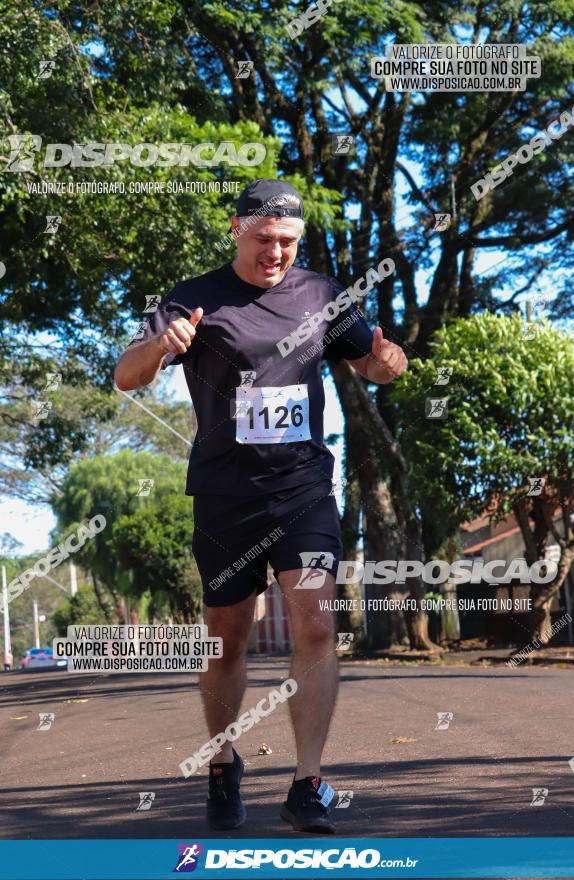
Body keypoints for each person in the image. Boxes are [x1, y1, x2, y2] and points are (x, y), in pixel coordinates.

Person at [114, 179, 407, 834]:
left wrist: (388, 359)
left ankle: (308, 784)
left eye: (286, 242)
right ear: (236, 229)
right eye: (263, 238)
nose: (275, 252)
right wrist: (162, 346)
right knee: (226, 640)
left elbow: (377, 361)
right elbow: (125, 374)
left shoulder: (320, 295)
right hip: (224, 493)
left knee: (315, 625)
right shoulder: (192, 298)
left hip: (301, 487)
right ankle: (223, 762)